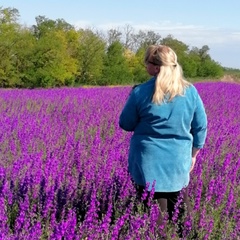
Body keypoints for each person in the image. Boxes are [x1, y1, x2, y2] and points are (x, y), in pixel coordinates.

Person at [119, 45, 207, 236]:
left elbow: (125, 124)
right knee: (182, 211)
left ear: (156, 67)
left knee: (152, 215)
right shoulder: (190, 92)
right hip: (178, 160)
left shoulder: (140, 92)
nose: (145, 66)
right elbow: (200, 126)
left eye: (147, 62)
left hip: (147, 162)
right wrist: (194, 155)